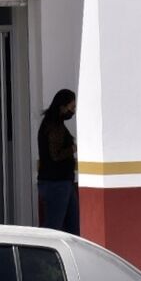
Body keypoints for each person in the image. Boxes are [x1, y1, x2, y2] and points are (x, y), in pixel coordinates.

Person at [37, 88, 79, 234]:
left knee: (71, 227)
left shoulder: (53, 123)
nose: (73, 111)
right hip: (56, 183)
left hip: (61, 182)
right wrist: (73, 149)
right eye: (72, 107)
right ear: (62, 106)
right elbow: (55, 155)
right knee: (54, 227)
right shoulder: (54, 126)